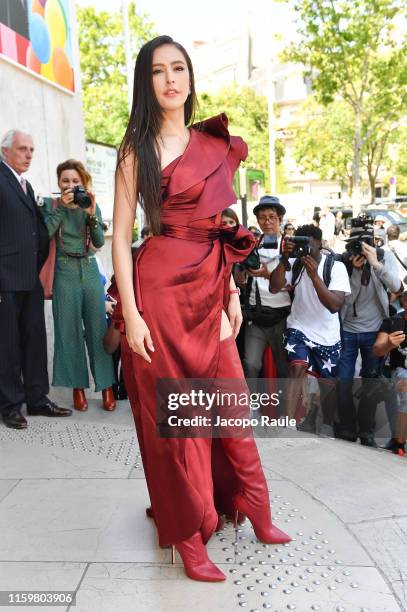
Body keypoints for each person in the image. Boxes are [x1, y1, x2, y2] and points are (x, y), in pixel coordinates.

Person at [112, 35, 291, 583]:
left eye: (179, 68)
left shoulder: (214, 146)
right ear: (147, 83)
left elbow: (219, 229)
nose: (171, 78)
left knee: (231, 404)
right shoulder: (134, 150)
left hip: (211, 285)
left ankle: (257, 508)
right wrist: (134, 314)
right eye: (159, 71)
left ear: (189, 78)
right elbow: (120, 238)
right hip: (160, 289)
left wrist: (233, 293)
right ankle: (188, 535)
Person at [0, 129, 71, 429]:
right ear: (5, 151)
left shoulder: (25, 184)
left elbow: (36, 231)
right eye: (22, 149)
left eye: (32, 149)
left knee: (34, 342)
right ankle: (10, 405)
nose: (29, 155)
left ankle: (37, 399)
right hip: (5, 279)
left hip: (28, 278)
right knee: (8, 347)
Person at [39, 160, 116, 412]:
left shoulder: (90, 204)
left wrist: (92, 214)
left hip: (89, 268)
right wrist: (62, 208)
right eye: (65, 181)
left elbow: (98, 242)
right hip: (63, 270)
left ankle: (106, 388)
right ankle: (77, 390)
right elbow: (44, 234)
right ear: (58, 183)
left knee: (97, 330)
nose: (70, 186)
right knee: (68, 331)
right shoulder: (52, 206)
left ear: (83, 183)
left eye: (75, 181)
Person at [269, 224, 350, 435]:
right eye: (301, 246)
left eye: (310, 247)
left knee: (327, 384)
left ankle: (326, 425)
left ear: (320, 245)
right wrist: (284, 259)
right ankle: (287, 424)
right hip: (299, 326)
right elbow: (274, 287)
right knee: (296, 367)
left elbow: (334, 306)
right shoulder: (295, 263)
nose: (305, 252)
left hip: (327, 334)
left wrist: (315, 276)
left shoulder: (335, 267)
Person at [335, 221, 400, 446]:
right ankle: (346, 427)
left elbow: (396, 286)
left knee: (370, 382)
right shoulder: (342, 261)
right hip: (348, 330)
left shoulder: (383, 256)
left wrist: (375, 264)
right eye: (356, 245)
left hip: (375, 331)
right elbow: (345, 300)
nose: (361, 250)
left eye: (365, 244)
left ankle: (366, 430)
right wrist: (354, 272)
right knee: (343, 381)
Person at [240, 196, 291, 380]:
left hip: (282, 317)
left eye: (272, 217)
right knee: (251, 364)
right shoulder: (251, 245)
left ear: (280, 219)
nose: (267, 222)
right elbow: (240, 280)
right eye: (262, 218)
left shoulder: (288, 246)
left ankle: (286, 408)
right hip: (256, 315)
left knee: (283, 368)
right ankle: (252, 408)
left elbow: (289, 284)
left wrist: (265, 274)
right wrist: (242, 265)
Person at [373, 290, 407, 455]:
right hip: (399, 371)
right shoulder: (393, 322)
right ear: (404, 301)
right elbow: (377, 350)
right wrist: (389, 344)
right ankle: (399, 443)